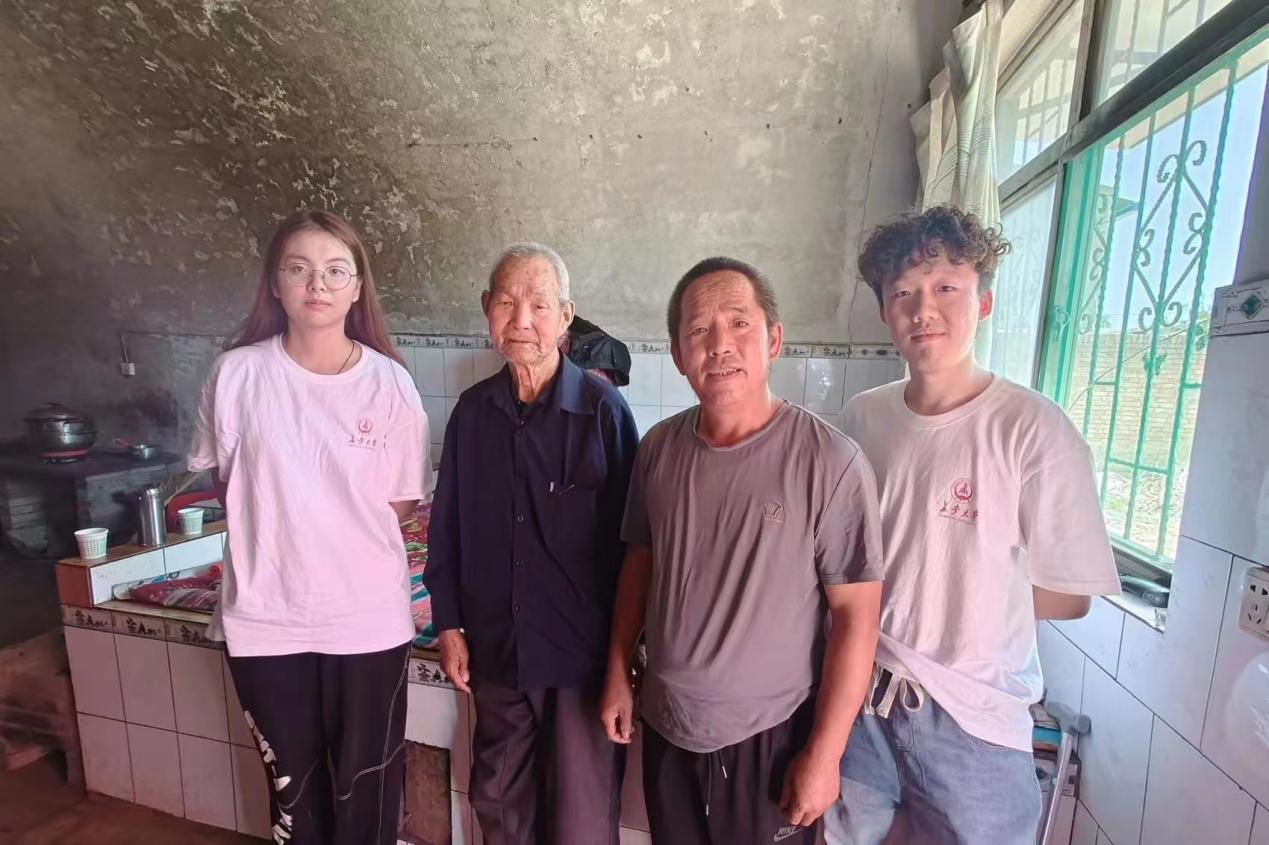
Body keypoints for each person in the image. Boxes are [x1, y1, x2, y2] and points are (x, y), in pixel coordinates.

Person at [825, 206, 1120, 845]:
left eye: (945, 288)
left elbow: (1071, 595)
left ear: (983, 302)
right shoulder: (861, 419)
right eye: (902, 293)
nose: (923, 310)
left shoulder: (1032, 428)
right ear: (884, 312)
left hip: (973, 719)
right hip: (863, 696)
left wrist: (962, 595)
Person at [600, 257, 884, 845]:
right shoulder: (658, 450)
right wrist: (618, 671)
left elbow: (857, 617)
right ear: (678, 355)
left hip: (771, 738)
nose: (719, 345)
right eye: (698, 330)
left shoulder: (830, 462)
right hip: (669, 728)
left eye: (739, 323)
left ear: (773, 340)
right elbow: (640, 565)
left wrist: (825, 754)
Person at [188, 209, 430, 845]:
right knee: (292, 793)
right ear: (275, 284)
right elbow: (225, 483)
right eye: (298, 269)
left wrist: (326, 525)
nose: (317, 284)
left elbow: (402, 503)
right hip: (265, 618)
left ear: (357, 287)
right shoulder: (236, 375)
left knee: (367, 789)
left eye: (335, 270)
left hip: (366, 618)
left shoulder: (390, 385)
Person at [424, 243, 640, 845]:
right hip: (497, 655)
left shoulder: (603, 412)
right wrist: (449, 624)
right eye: (507, 303)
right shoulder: (472, 415)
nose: (522, 319)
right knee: (500, 809)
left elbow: (637, 548)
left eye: (540, 305)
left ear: (565, 316)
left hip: (580, 664)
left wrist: (623, 661)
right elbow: (446, 528)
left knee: (579, 823)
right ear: (486, 309)